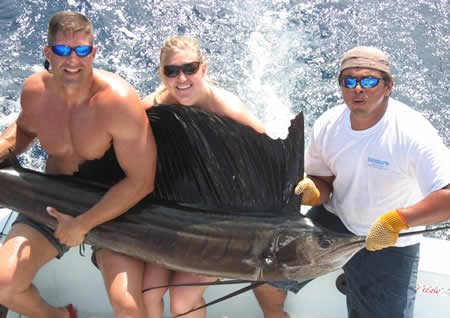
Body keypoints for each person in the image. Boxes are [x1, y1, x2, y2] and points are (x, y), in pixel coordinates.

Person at [253, 46, 450, 318]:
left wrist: (396, 221)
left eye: (368, 81)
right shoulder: (328, 124)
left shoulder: (412, 133)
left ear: (388, 86)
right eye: (349, 80)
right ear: (341, 85)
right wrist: (313, 191)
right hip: (335, 221)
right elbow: (324, 181)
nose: (358, 88)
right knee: (266, 277)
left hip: (391, 240)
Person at [0, 11, 157, 318]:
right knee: (4, 285)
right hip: (53, 204)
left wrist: (83, 224)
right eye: (62, 50)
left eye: (81, 50)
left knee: (126, 306)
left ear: (93, 52)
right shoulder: (35, 91)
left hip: (112, 210)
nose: (72, 60)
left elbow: (142, 181)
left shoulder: (119, 101)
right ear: (48, 52)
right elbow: (23, 131)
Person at [141, 36, 265, 318]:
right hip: (170, 216)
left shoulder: (227, 109)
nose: (181, 77)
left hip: (217, 224)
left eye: (190, 68)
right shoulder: (152, 107)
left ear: (204, 69)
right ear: (162, 75)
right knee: (149, 292)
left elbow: (269, 152)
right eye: (172, 71)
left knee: (182, 299)